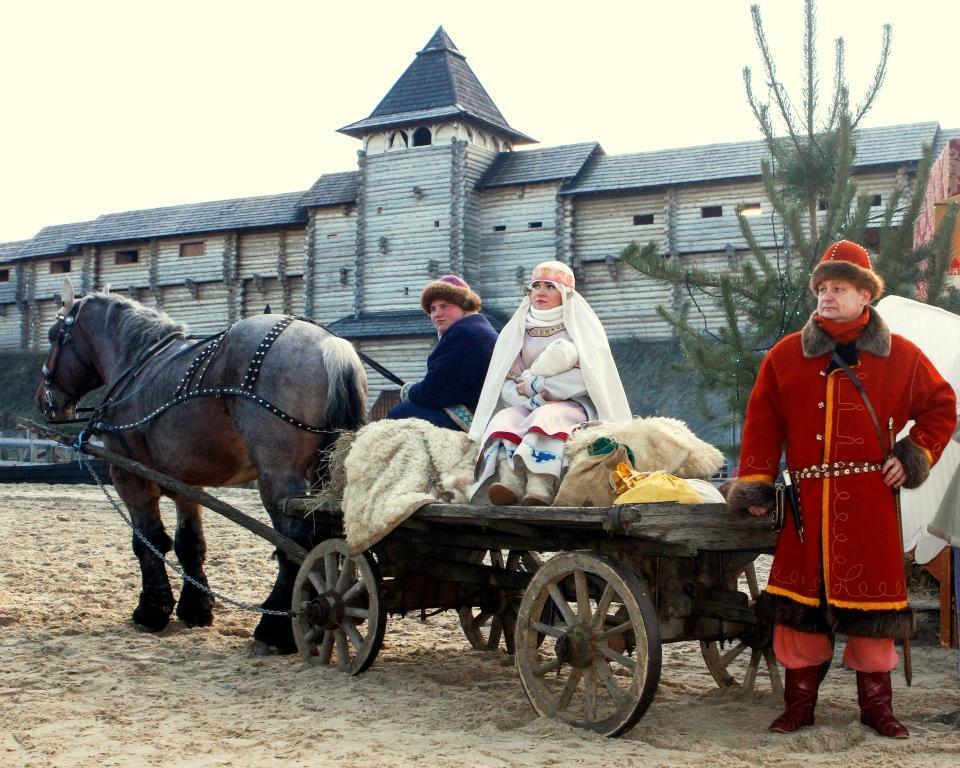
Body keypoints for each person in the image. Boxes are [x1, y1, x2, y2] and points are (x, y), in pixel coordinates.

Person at [727, 240, 957, 739]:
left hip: (871, 504)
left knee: (875, 611)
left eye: (839, 288)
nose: (827, 297)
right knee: (796, 610)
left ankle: (878, 710)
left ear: (864, 297)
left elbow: (941, 408)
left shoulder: (903, 356)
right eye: (823, 288)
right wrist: (758, 485)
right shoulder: (786, 356)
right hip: (807, 506)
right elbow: (762, 423)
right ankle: (798, 706)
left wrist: (912, 454)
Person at [468, 260, 631, 505]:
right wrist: (530, 399)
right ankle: (509, 482)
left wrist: (540, 388)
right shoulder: (517, 331)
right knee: (504, 419)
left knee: (547, 418)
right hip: (528, 405)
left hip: (573, 405)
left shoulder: (579, 329)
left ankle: (540, 486)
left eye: (550, 287)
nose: (541, 292)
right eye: (536, 286)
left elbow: (586, 378)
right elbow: (508, 379)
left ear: (565, 294)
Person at [386, 274, 497, 431]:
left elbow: (433, 393)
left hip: (472, 417)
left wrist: (408, 391)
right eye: (432, 309)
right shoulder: (479, 329)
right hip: (481, 411)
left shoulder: (463, 334)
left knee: (400, 412)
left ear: (465, 307)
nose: (437, 314)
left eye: (445, 306)